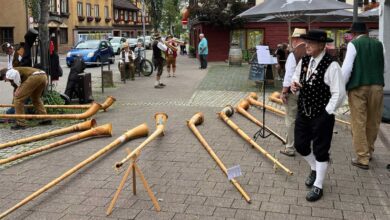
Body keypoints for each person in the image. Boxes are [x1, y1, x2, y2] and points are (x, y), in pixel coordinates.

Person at [290, 29, 345, 202]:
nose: (306, 45)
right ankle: (314, 168)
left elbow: (339, 93)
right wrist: (294, 86)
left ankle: (318, 185)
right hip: (304, 111)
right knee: (300, 145)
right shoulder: (305, 60)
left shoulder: (332, 65)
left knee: (321, 149)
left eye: (310, 43)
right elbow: (296, 77)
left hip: (322, 114)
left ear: (321, 45)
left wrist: (327, 112)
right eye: (306, 42)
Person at [341, 22, 385, 170]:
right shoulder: (379, 44)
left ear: (353, 33)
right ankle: (369, 152)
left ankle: (362, 157)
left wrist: (341, 86)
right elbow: (383, 67)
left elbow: (346, 69)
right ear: (366, 32)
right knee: (373, 120)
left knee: (358, 122)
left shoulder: (354, 44)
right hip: (377, 86)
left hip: (358, 86)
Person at [279, 28, 307, 157]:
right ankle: (301, 142)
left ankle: (290, 147)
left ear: (295, 40)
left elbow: (289, 76)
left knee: (291, 118)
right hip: (308, 92)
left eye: (292, 39)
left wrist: (284, 91)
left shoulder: (294, 54)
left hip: (294, 91)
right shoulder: (312, 51)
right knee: (303, 118)